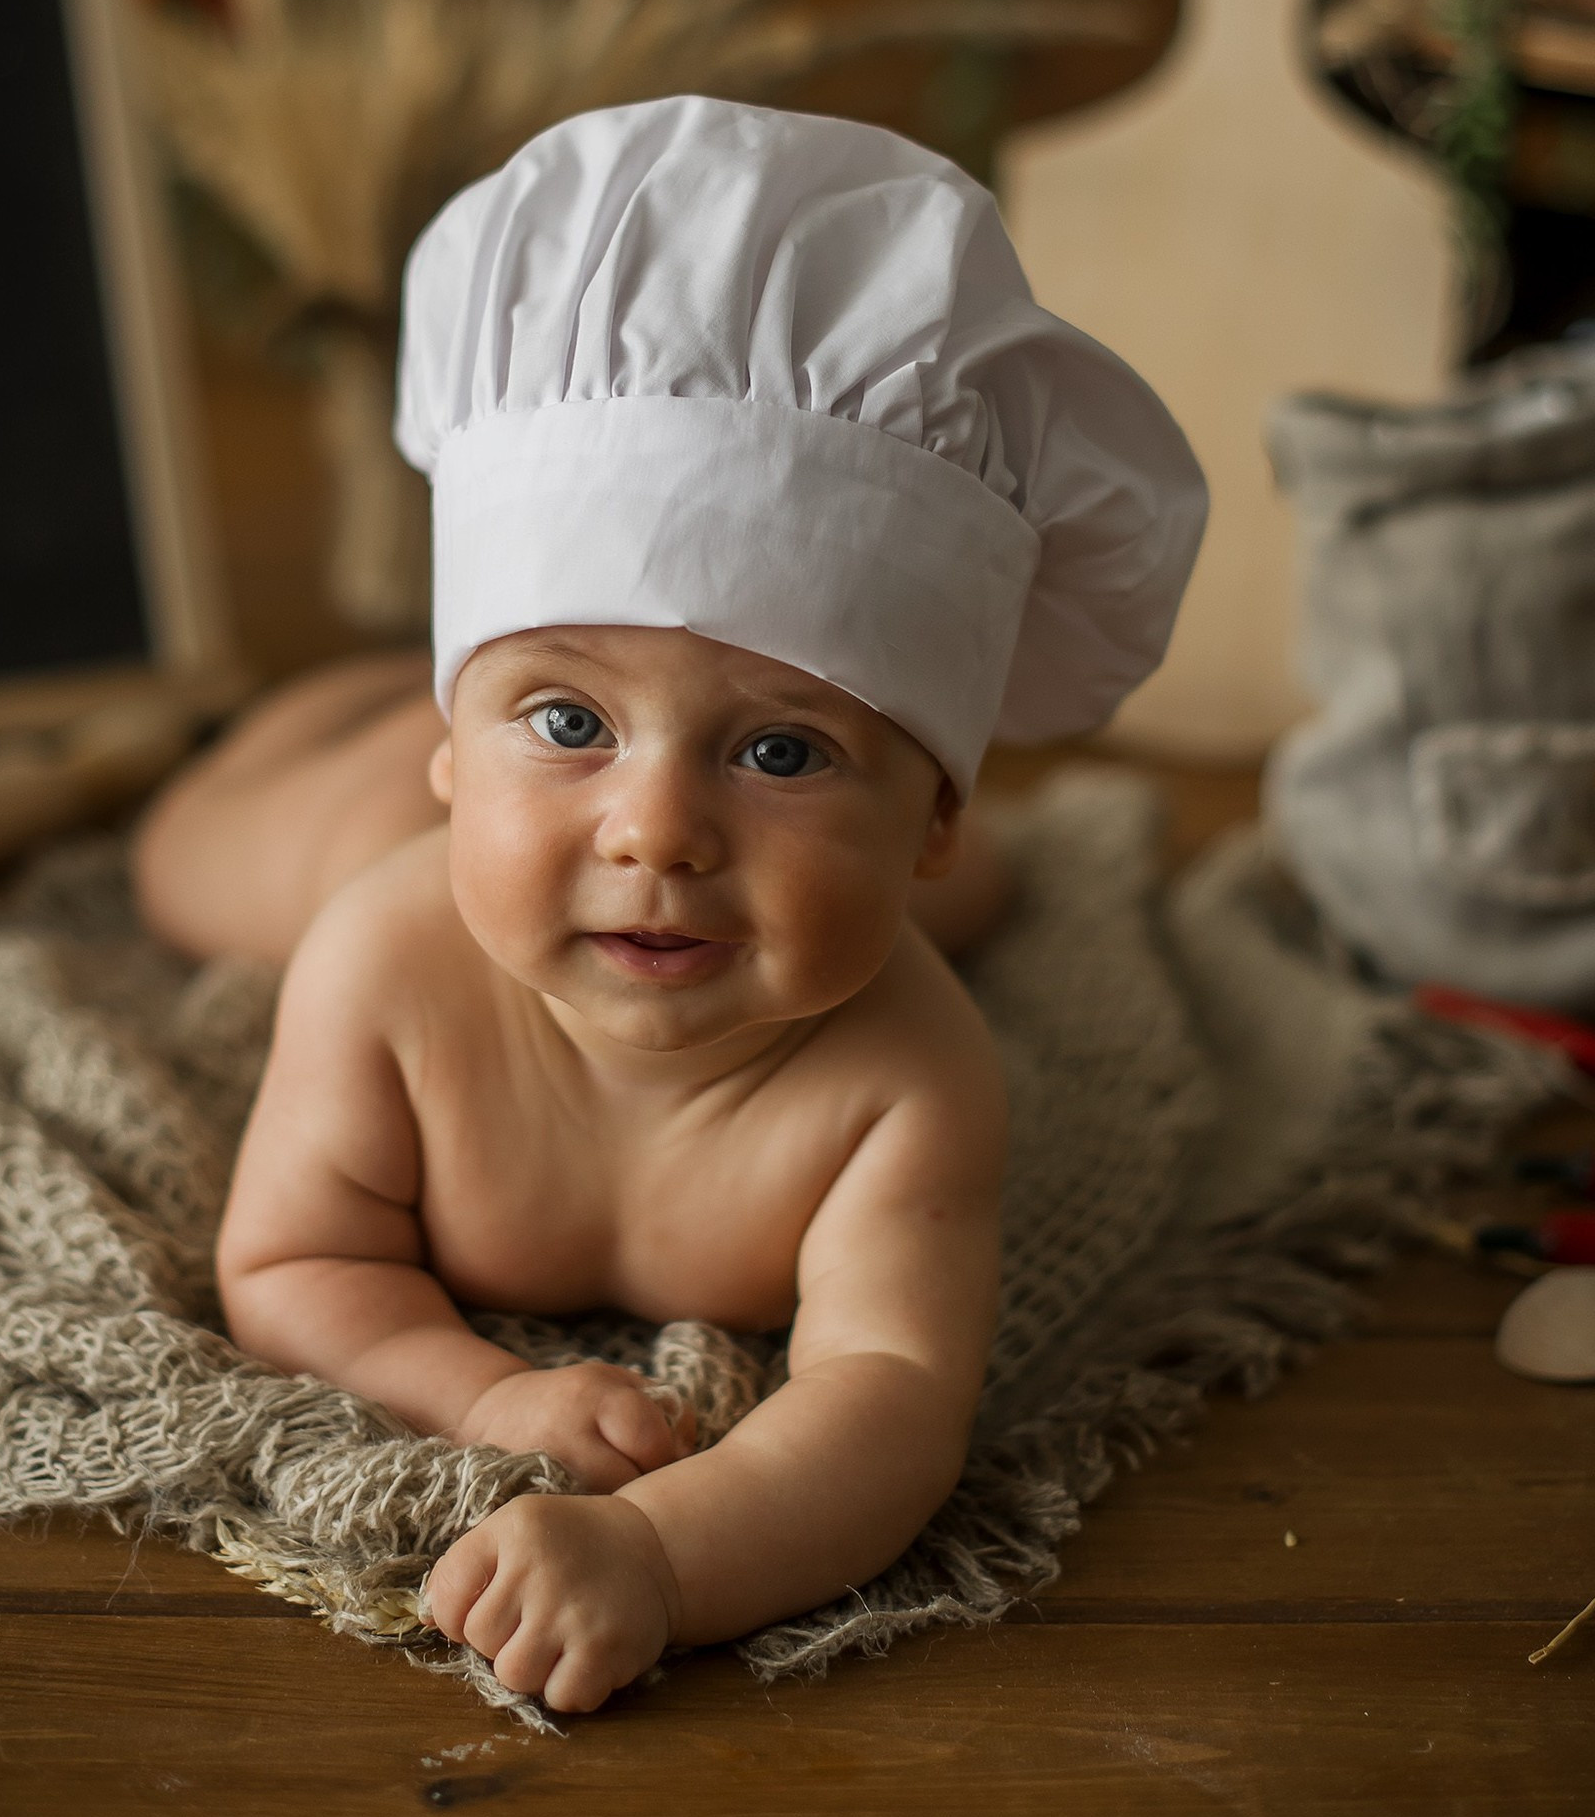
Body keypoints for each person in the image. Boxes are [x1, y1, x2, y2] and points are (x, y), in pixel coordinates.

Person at [135, 96, 1204, 1711]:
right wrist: (482, 1396)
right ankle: (353, 712)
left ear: (923, 812)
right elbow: (288, 1269)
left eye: (783, 748)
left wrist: (661, 1553)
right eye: (569, 719)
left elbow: (894, 1397)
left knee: (974, 904)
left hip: (777, 861)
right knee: (187, 859)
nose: (657, 832)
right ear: (459, 746)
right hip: (376, 832)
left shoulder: (910, 1087)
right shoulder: (382, 960)